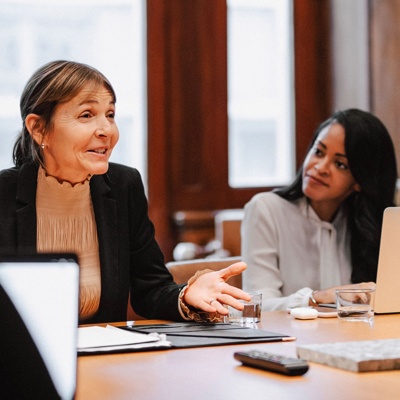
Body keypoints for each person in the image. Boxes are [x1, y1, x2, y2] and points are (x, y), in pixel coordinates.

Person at [0, 60, 250, 324]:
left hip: (107, 357)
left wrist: (186, 296)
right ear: (38, 128)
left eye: (110, 115)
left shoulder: (123, 185)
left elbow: (150, 289)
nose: (106, 130)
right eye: (86, 115)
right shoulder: (4, 194)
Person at [241, 109, 398, 311]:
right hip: (290, 339)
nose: (321, 167)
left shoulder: (367, 222)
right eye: (319, 152)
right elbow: (255, 306)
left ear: (360, 180)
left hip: (355, 338)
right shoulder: (265, 209)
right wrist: (317, 298)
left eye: (340, 164)